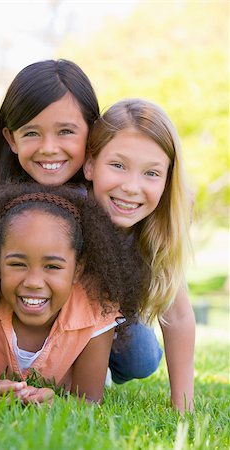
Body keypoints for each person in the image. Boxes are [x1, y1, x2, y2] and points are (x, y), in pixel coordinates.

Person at [0, 182, 148, 405]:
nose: (34, 282)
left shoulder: (95, 314)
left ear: (78, 269)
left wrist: (58, 403)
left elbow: (89, 401)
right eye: (17, 264)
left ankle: (106, 375)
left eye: (52, 267)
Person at [83, 98, 195, 413]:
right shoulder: (67, 210)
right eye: (118, 165)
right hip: (55, 313)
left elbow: (179, 315)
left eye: (151, 173)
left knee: (142, 358)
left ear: (167, 179)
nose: (132, 187)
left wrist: (182, 405)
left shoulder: (157, 227)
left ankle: (102, 363)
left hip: (113, 316)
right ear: (90, 164)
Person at [0, 59, 99, 190]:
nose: (48, 149)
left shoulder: (107, 194)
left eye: (65, 131)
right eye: (31, 133)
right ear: (12, 139)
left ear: (92, 132)